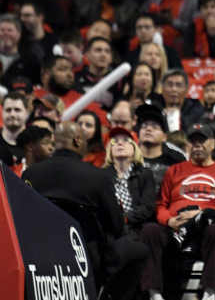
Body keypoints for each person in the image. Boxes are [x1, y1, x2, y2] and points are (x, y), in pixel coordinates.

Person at [23, 122, 150, 300]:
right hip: (88, 256)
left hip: (42, 254)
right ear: (77, 141)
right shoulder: (98, 176)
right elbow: (116, 225)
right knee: (140, 252)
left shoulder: (30, 174)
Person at [140, 123, 215, 300]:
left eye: (203, 140)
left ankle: (209, 293)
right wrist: (168, 221)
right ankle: (154, 294)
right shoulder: (174, 171)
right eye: (193, 141)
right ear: (187, 146)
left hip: (206, 231)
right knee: (150, 230)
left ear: (213, 144)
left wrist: (205, 214)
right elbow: (161, 205)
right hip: (174, 230)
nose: (198, 144)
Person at [104, 127, 155, 233]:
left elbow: (146, 207)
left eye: (126, 140)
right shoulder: (102, 175)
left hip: (137, 227)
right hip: (109, 228)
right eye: (115, 141)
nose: (120, 143)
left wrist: (124, 218)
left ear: (135, 148)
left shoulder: (145, 174)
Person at [34, 55, 109, 127]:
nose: (70, 74)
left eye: (71, 70)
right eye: (63, 69)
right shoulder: (31, 96)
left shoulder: (82, 101)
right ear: (47, 74)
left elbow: (104, 128)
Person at [135, 104, 187, 188]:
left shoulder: (175, 162)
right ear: (138, 134)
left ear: (164, 137)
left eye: (155, 127)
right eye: (144, 125)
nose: (148, 129)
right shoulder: (127, 159)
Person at [74, 37, 121, 110]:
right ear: (87, 55)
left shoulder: (119, 80)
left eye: (107, 51)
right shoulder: (75, 77)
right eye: (98, 50)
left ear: (111, 57)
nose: (103, 54)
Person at [1, 91, 28, 163]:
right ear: (2, 112)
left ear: (26, 113)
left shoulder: (34, 143)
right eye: (8, 110)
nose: (12, 114)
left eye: (17, 110)